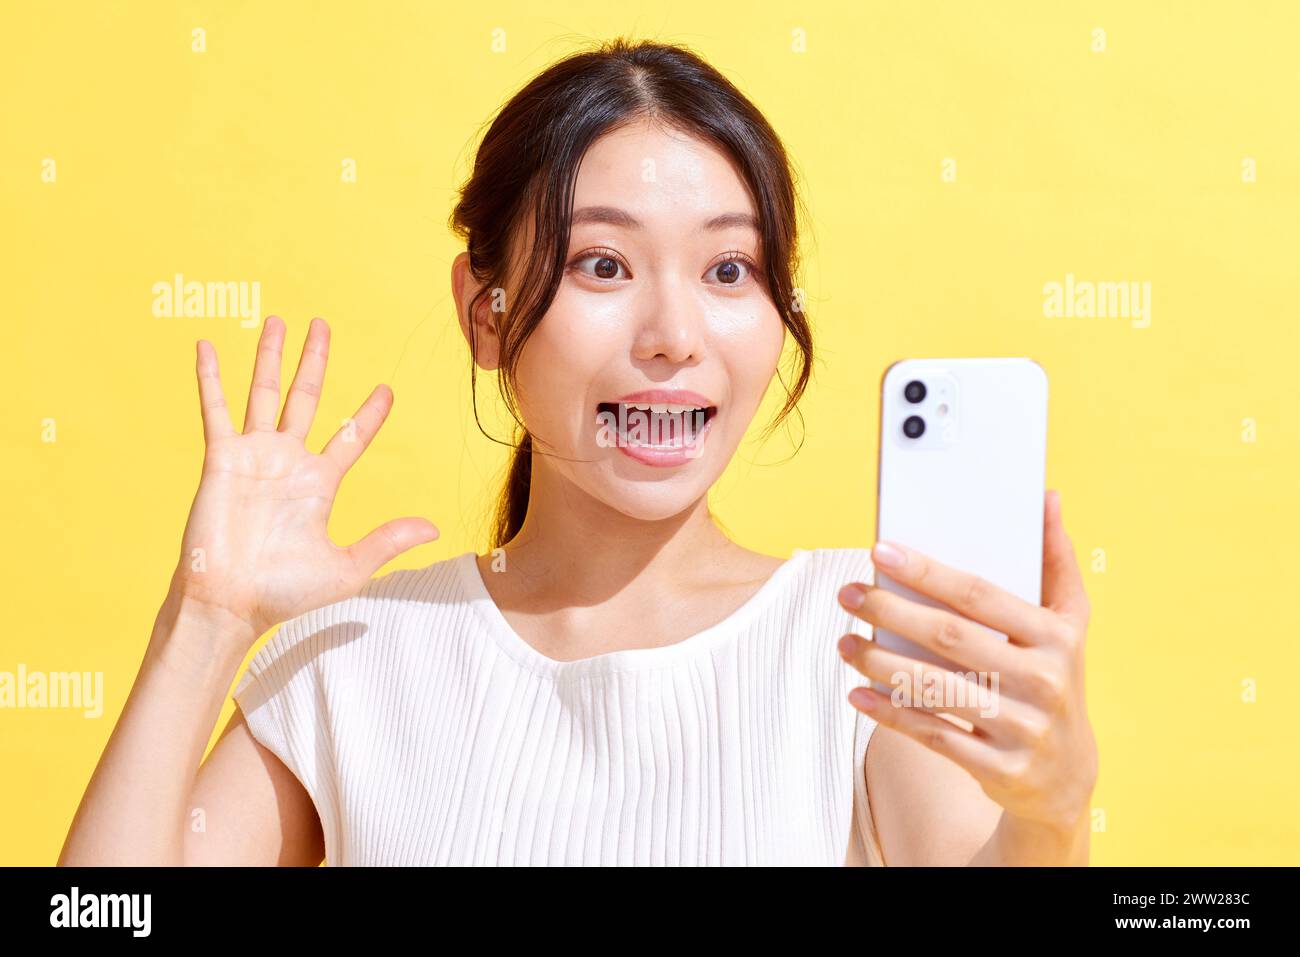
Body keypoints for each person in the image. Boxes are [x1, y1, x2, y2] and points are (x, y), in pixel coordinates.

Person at [58, 37, 1097, 867]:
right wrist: (203, 623)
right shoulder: (355, 663)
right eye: (603, 263)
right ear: (484, 313)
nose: (673, 334)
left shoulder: (868, 645)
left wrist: (1051, 820)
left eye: (729, 269)